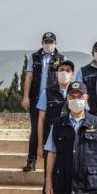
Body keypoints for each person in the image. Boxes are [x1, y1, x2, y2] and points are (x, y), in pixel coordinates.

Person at [33, 60, 74, 194]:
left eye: (68, 70)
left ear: (72, 74)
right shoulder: (48, 92)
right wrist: (40, 145)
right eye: (61, 70)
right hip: (52, 145)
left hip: (72, 145)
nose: (64, 73)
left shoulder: (78, 92)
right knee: (48, 180)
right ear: (56, 73)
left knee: (72, 181)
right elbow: (41, 120)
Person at [21, 32, 65, 172]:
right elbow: (28, 77)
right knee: (35, 130)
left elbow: (65, 78)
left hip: (54, 100)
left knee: (57, 129)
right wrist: (26, 96)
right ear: (42, 43)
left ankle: (58, 160)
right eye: (46, 42)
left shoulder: (62, 58)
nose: (48, 44)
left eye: (51, 42)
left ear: (55, 44)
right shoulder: (34, 57)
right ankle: (31, 161)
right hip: (36, 99)